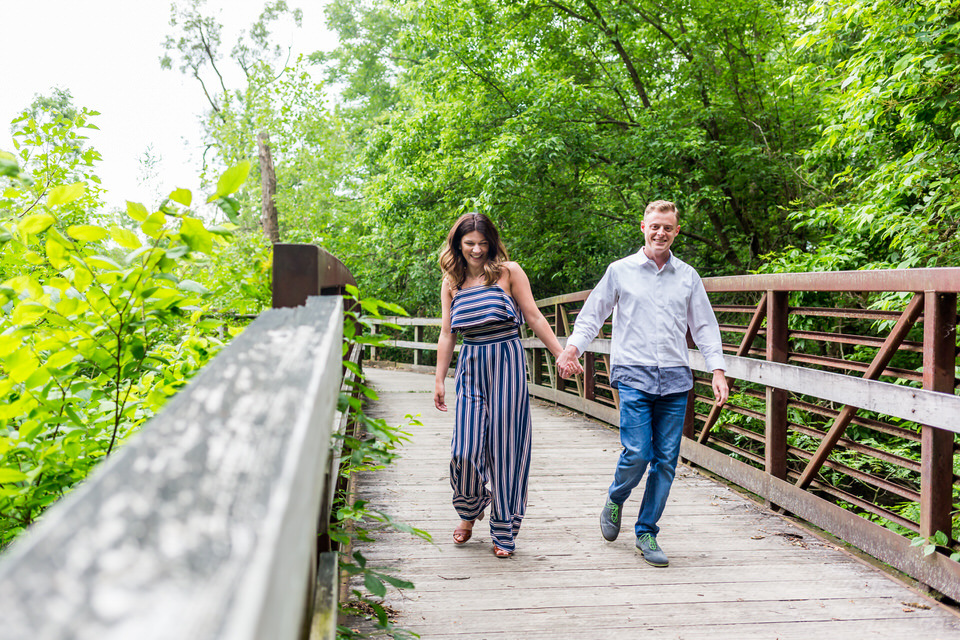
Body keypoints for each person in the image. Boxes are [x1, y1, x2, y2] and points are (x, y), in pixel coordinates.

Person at [556, 200, 729, 567]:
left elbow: (704, 326)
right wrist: (572, 349)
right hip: (633, 373)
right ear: (643, 227)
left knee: (666, 461)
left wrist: (717, 370)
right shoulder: (620, 272)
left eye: (667, 227)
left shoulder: (688, 276)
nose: (660, 233)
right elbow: (592, 316)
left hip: (675, 377)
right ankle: (616, 498)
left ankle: (646, 531)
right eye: (655, 226)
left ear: (676, 231)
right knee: (638, 452)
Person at [434, 212, 582, 558]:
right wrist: (439, 378)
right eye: (469, 243)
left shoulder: (508, 272)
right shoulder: (451, 282)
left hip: (507, 362)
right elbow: (447, 333)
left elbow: (534, 316)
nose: (477, 249)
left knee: (507, 448)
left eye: (483, 243)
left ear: (491, 243)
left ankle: (504, 529)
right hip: (470, 365)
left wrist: (561, 354)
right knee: (463, 450)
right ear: (458, 244)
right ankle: (471, 508)